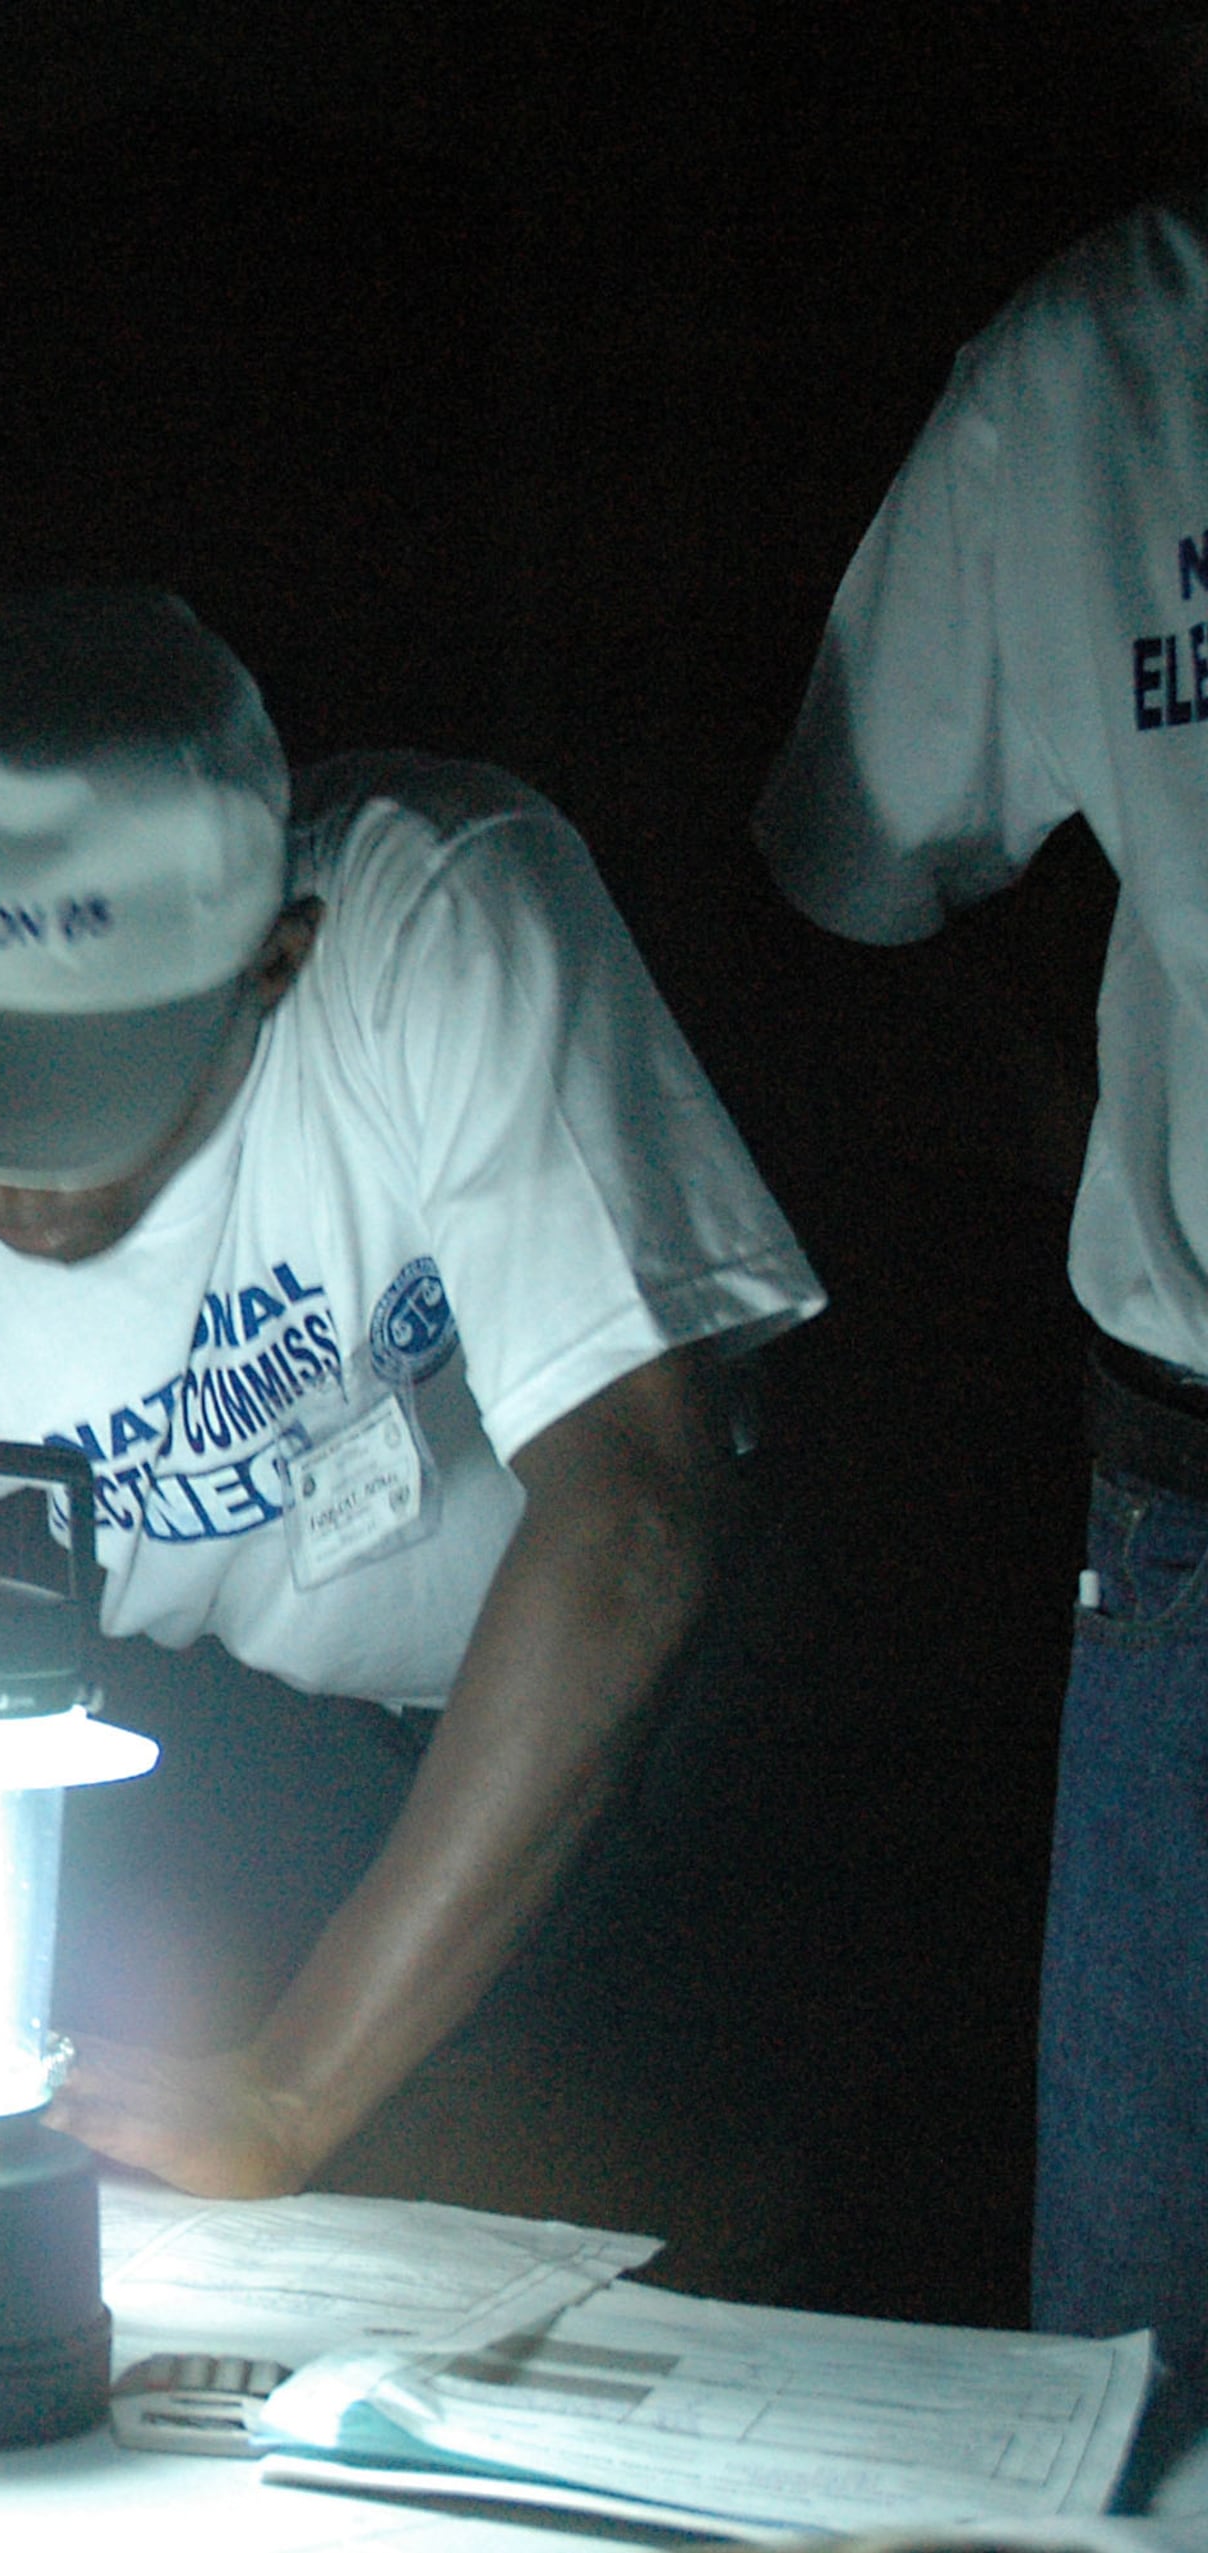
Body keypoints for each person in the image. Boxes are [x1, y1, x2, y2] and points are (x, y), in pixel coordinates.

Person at [0, 589, 822, 2200]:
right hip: (260, 1738)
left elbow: (637, 1507)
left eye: (83, 1099)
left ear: (276, 958)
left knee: (637, 2205)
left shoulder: (437, 916)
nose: (16, 1182)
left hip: (634, 1701)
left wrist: (292, 2085)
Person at [752, 30, 1208, 2412]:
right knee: (1128, 2375)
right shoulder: (1093, 377)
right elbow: (854, 851)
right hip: (1193, 1497)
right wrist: (1071, 1094)